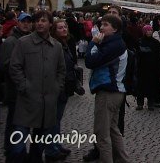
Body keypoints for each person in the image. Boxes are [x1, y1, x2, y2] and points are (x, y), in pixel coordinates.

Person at [8, 10, 66, 162]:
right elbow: (15, 67)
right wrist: (24, 86)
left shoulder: (57, 46)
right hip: (27, 100)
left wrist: (56, 88)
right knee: (18, 145)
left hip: (47, 102)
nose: (39, 23)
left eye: (43, 20)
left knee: (39, 144)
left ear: (50, 24)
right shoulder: (24, 42)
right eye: (37, 21)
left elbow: (61, 70)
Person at [85, 14, 130, 163]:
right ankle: (123, 160)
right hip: (116, 91)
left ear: (115, 29)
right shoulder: (115, 42)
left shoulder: (113, 45)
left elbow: (90, 61)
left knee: (101, 134)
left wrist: (93, 43)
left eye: (105, 25)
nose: (101, 27)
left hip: (108, 91)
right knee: (112, 130)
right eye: (101, 24)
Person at [44, 19, 84, 161]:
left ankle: (56, 145)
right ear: (54, 30)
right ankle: (51, 149)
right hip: (58, 87)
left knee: (57, 119)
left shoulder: (65, 43)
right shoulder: (55, 45)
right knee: (52, 120)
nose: (64, 29)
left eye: (65, 27)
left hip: (65, 86)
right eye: (60, 28)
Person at [0, 11, 33, 158]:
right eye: (23, 21)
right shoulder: (11, 41)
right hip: (15, 89)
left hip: (25, 89)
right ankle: (10, 150)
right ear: (17, 23)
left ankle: (15, 149)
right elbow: (5, 65)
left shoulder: (29, 39)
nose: (26, 24)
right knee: (13, 122)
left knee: (20, 122)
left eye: (28, 21)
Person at [136, 24, 160, 110]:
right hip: (142, 68)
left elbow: (158, 56)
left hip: (152, 68)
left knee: (151, 86)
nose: (149, 32)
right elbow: (137, 54)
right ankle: (140, 103)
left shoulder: (155, 42)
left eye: (150, 30)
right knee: (140, 86)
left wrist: (158, 67)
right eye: (147, 30)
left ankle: (150, 103)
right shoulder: (140, 41)